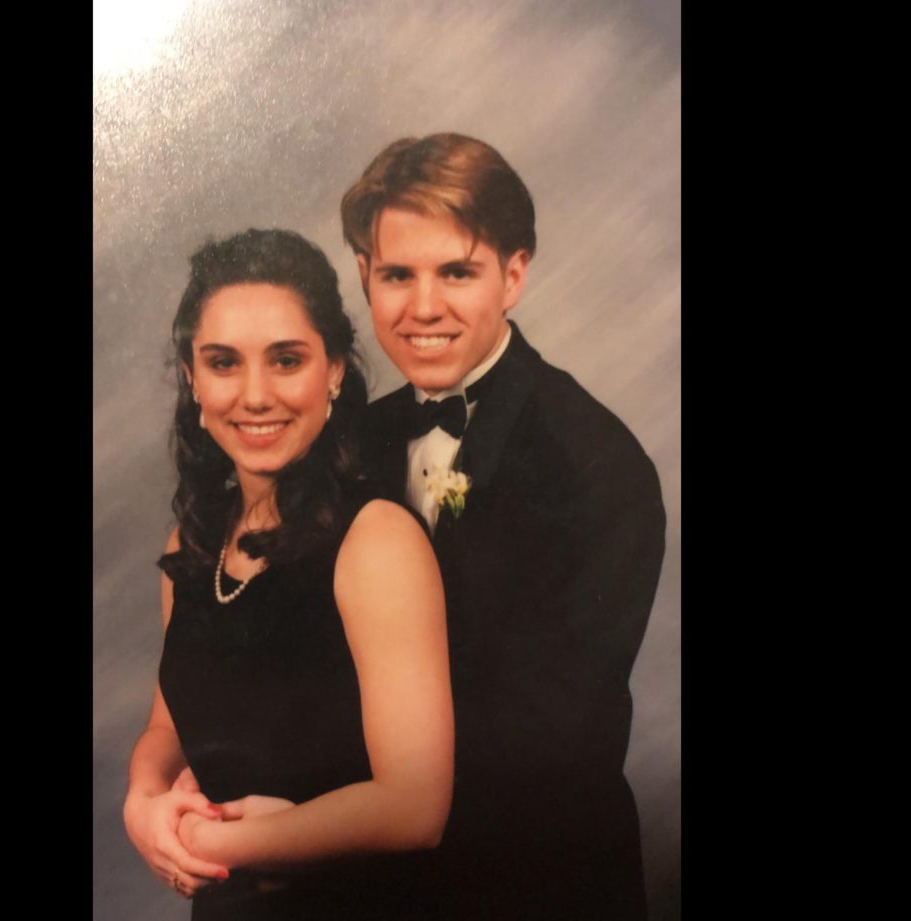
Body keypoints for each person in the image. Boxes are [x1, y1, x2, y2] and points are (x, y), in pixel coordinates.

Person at [342, 134, 667, 920]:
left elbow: (552, 750)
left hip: (532, 883)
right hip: (371, 876)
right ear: (363, 275)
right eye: (397, 275)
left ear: (514, 274)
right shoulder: (351, 444)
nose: (423, 307)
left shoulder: (597, 465)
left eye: (457, 271)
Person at [122, 228, 454, 920]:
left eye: (286, 359)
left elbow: (417, 805)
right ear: (192, 377)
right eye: (222, 362)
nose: (255, 394)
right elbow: (165, 729)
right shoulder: (193, 546)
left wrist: (233, 841)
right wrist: (142, 803)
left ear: (333, 369)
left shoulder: (376, 540)